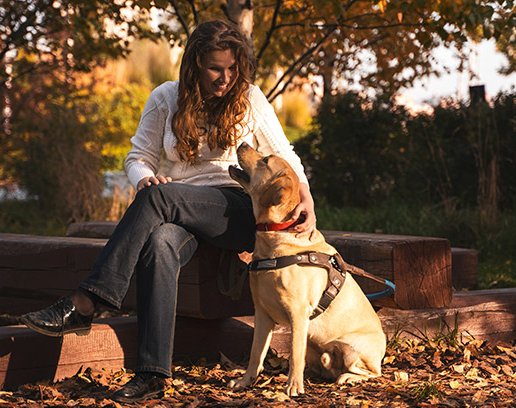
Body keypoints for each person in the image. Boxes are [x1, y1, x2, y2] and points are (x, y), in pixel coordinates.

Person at [20, 19, 317, 403]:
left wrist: (305, 193)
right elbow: (138, 157)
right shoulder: (165, 98)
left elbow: (286, 154)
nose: (225, 78)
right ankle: (152, 373)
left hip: (236, 208)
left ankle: (87, 301)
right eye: (215, 68)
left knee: (160, 199)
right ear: (194, 64)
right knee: (159, 242)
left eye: (231, 68)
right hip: (178, 209)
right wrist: (144, 178)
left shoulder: (250, 99)